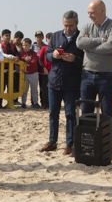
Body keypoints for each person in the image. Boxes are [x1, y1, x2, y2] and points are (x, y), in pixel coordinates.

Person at [41, 10, 84, 154]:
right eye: (65, 25)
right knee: (53, 113)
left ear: (76, 24)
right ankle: (52, 141)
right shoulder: (55, 36)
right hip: (54, 81)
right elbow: (46, 56)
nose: (68, 28)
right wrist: (52, 55)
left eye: (71, 25)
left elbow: (86, 60)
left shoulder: (82, 37)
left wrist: (75, 59)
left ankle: (70, 144)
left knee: (70, 114)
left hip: (72, 83)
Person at [76, 0, 112, 120]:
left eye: (92, 12)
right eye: (88, 13)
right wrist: (100, 40)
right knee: (85, 111)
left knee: (107, 111)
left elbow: (111, 46)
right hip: (87, 75)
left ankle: (108, 139)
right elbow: (80, 43)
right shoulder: (86, 26)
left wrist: (89, 48)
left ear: (102, 11)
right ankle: (86, 138)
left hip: (106, 77)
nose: (89, 15)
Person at [18, 38, 40, 108]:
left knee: (34, 90)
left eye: (26, 45)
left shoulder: (34, 53)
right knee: (24, 90)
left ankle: (35, 103)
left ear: (30, 45)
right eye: (23, 45)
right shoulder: (21, 53)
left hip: (33, 74)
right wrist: (24, 59)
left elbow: (34, 62)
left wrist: (26, 61)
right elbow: (18, 60)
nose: (24, 47)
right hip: (24, 74)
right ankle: (23, 103)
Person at [34, 31, 50, 108]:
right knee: (35, 87)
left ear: (43, 37)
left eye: (40, 36)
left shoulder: (46, 46)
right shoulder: (32, 46)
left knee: (44, 87)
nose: (38, 38)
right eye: (37, 36)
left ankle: (45, 103)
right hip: (34, 70)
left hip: (44, 71)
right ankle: (36, 103)